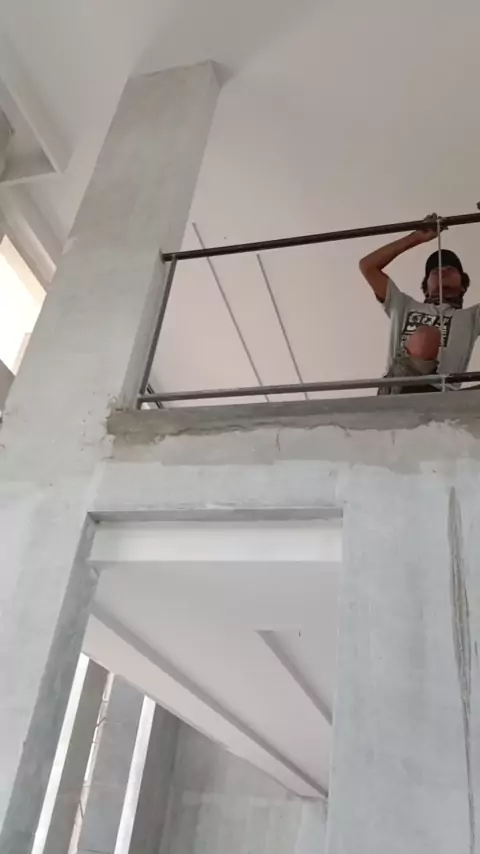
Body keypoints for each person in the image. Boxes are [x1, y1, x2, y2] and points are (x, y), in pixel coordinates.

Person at [359, 216, 480, 393]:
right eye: (435, 271)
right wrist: (416, 237)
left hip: (443, 397)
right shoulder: (403, 304)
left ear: (463, 285)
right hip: (400, 386)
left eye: (451, 269)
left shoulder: (472, 316)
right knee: (427, 336)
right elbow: (368, 266)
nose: (443, 271)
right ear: (425, 287)